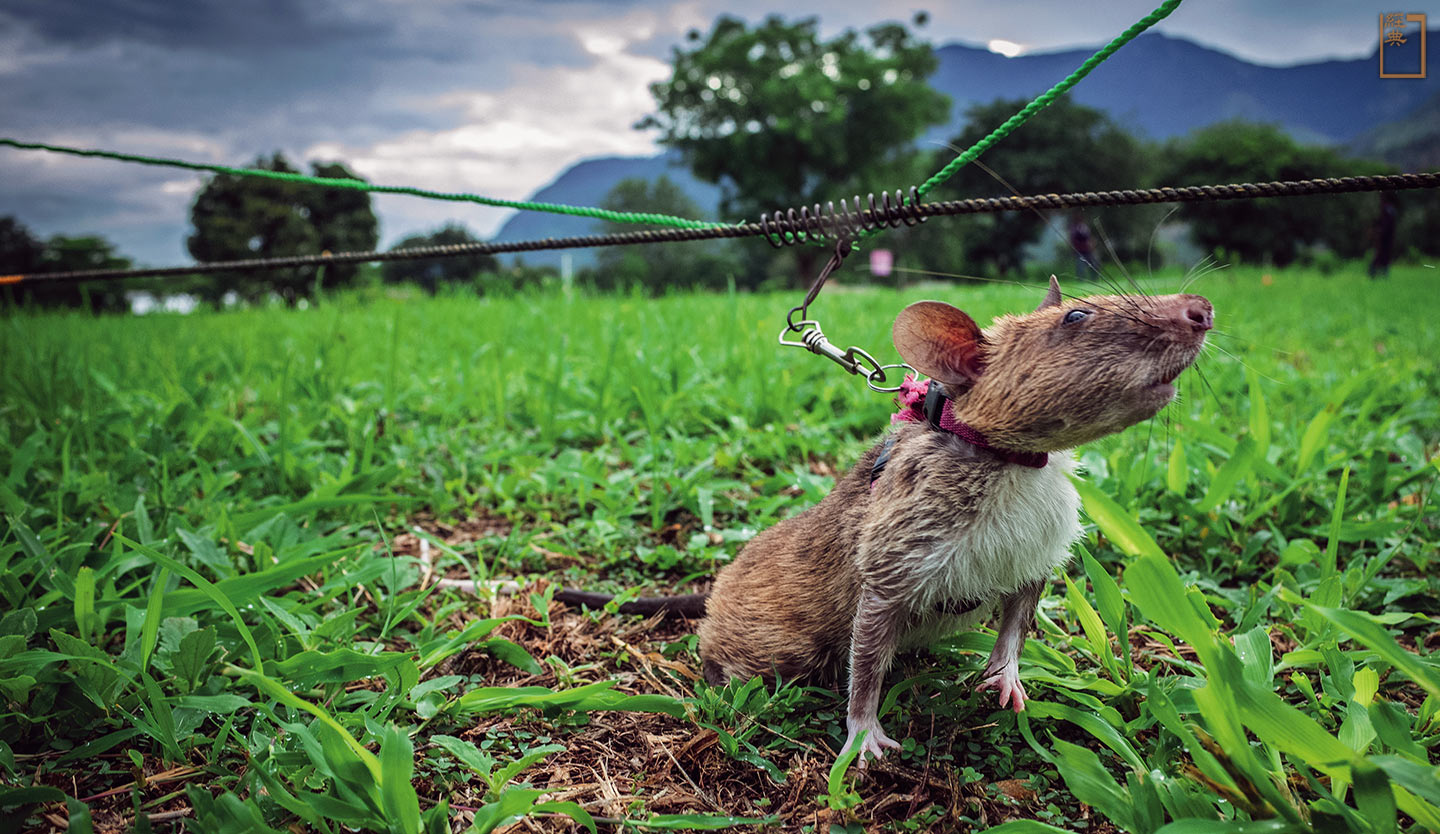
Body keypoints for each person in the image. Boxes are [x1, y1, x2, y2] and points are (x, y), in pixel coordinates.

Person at [1369, 192, 1398, 279]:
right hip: (1387, 239)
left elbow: (1385, 226)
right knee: (1384, 258)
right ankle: (1381, 277)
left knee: (1380, 258)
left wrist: (1378, 233)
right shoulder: (1390, 210)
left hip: (1385, 239)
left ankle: (1375, 276)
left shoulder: (1388, 211)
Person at [1070, 212, 1096, 278]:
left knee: (1092, 264)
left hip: (1087, 249)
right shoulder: (1074, 228)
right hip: (1079, 250)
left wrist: (1091, 245)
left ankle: (1094, 277)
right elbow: (1073, 239)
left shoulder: (1085, 227)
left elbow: (1089, 237)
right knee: (1080, 266)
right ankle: (1081, 279)